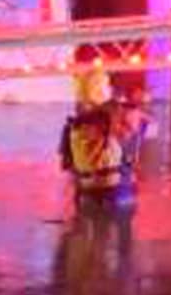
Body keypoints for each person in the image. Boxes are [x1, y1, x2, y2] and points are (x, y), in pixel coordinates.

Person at [59, 69, 149, 209]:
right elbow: (132, 134)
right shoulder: (110, 117)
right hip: (113, 190)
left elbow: (66, 163)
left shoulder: (72, 126)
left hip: (90, 190)